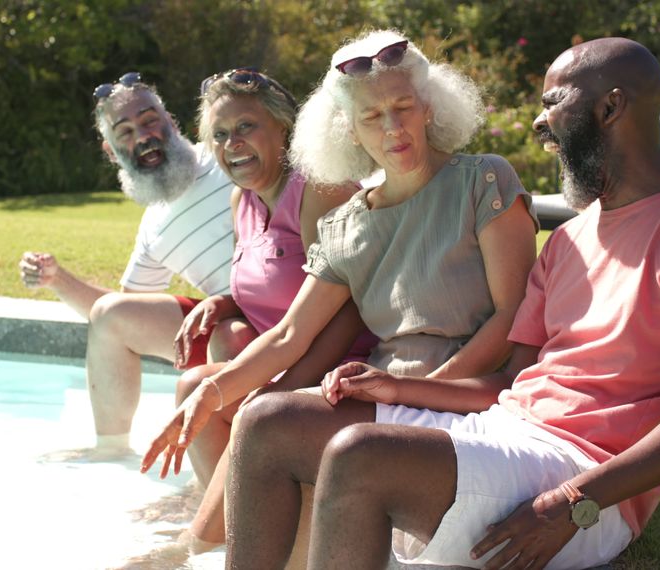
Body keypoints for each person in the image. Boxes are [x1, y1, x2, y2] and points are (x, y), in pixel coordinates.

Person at [224, 36, 660, 569]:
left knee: (357, 454)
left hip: (585, 477)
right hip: (505, 433)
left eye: (553, 103)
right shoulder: (570, 240)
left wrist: (572, 502)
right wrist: (402, 388)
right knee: (268, 421)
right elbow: (508, 386)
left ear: (610, 107)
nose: (538, 123)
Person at [140, 25, 537, 546]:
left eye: (404, 106)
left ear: (430, 107)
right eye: (372, 116)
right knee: (260, 420)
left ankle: (198, 549)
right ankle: (200, 551)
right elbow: (288, 336)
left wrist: (423, 394)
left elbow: (514, 317)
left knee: (270, 424)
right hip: (384, 394)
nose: (392, 127)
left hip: (466, 395)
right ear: (349, 130)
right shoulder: (347, 224)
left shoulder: (482, 180)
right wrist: (209, 395)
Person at [154, 68, 376, 555]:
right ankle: (236, 526)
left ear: (283, 129)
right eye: (219, 134)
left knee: (251, 409)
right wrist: (220, 302)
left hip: (342, 371)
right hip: (284, 360)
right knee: (192, 385)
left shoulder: (321, 190)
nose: (232, 142)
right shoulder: (242, 200)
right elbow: (275, 279)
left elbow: (350, 309)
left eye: (246, 127)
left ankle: (205, 545)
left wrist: (284, 387)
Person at [19, 74, 250, 458]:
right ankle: (111, 452)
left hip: (270, 311)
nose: (142, 136)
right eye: (124, 131)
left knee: (230, 337)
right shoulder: (153, 227)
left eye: (149, 120)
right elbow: (122, 312)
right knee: (111, 317)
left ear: (172, 121)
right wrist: (56, 279)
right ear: (111, 152)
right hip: (228, 323)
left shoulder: (225, 158)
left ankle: (215, 486)